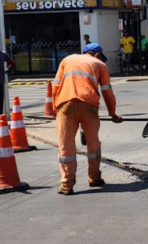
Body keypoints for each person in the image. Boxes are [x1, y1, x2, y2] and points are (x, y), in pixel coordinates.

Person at [52, 43, 121, 195]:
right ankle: (94, 178)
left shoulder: (67, 60)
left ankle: (66, 185)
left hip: (65, 105)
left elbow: (56, 85)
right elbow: (107, 92)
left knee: (65, 144)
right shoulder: (99, 64)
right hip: (89, 105)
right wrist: (113, 114)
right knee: (93, 142)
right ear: (96, 54)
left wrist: (55, 108)